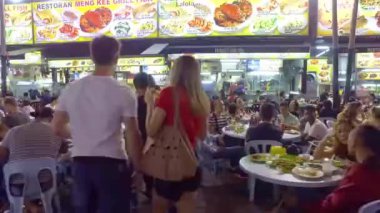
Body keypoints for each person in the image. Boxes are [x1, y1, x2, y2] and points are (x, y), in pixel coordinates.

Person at [52, 36, 142, 213]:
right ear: (117, 57)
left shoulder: (72, 89)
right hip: (113, 165)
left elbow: (56, 127)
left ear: (92, 57)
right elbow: (132, 133)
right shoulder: (124, 91)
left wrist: (81, 134)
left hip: (81, 164)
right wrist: (138, 169)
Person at [145, 55, 209, 213]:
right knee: (187, 205)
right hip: (190, 160)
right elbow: (202, 135)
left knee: (160, 204)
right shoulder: (201, 98)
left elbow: (151, 130)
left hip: (169, 159)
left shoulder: (168, 94)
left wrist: (149, 105)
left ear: (175, 71)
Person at [0, 107, 65, 213]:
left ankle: (24, 206)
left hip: (17, 184)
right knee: (62, 167)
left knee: (8, 170)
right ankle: (47, 206)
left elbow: (2, 154)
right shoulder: (54, 130)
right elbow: (64, 149)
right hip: (46, 182)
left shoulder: (13, 132)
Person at [307, 125, 380, 213]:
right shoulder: (371, 167)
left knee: (301, 194)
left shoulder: (359, 173)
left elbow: (332, 206)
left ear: (354, 143)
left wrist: (300, 204)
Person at [133, 72, 155, 199]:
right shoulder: (154, 100)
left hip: (140, 137)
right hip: (153, 136)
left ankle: (149, 189)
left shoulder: (133, 102)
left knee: (145, 166)